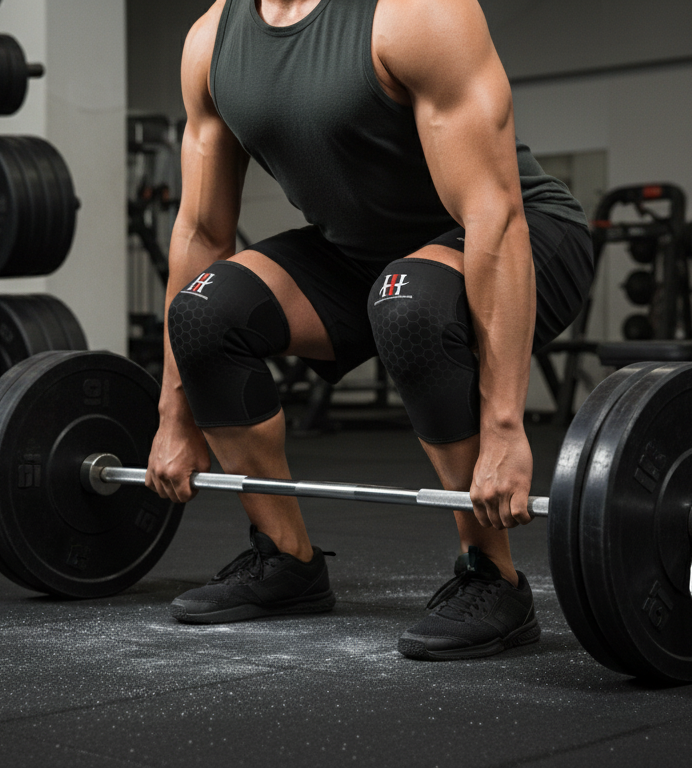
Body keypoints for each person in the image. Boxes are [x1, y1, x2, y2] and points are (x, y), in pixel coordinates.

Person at [144, 0, 594, 660]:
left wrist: (505, 428)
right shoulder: (211, 43)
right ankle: (285, 560)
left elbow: (494, 215)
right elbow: (201, 232)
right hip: (357, 255)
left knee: (407, 303)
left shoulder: (415, 14)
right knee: (204, 312)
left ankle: (490, 576)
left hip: (519, 239)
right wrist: (173, 413)